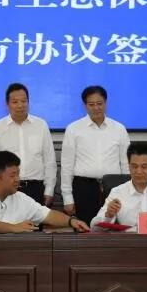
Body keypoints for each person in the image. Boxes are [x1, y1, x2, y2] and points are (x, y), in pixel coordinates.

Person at [0, 151, 90, 233]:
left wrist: (71, 221)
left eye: (18, 174)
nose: (18, 179)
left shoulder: (20, 198)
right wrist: (13, 228)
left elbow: (48, 215)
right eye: (12, 175)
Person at [60, 85, 130, 225]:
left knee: (113, 229)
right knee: (85, 229)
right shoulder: (73, 129)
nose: (96, 108)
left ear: (106, 103)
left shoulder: (119, 129)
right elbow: (67, 166)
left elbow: (126, 164)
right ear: (85, 105)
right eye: (91, 104)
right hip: (84, 188)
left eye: (99, 103)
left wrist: (128, 192)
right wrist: (67, 198)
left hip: (113, 188)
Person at [0, 83, 57, 206]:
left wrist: (49, 190)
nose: (20, 105)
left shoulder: (41, 125)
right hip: (6, 189)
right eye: (15, 102)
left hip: (35, 188)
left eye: (24, 101)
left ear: (28, 102)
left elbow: (49, 161)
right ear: (7, 104)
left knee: (36, 219)